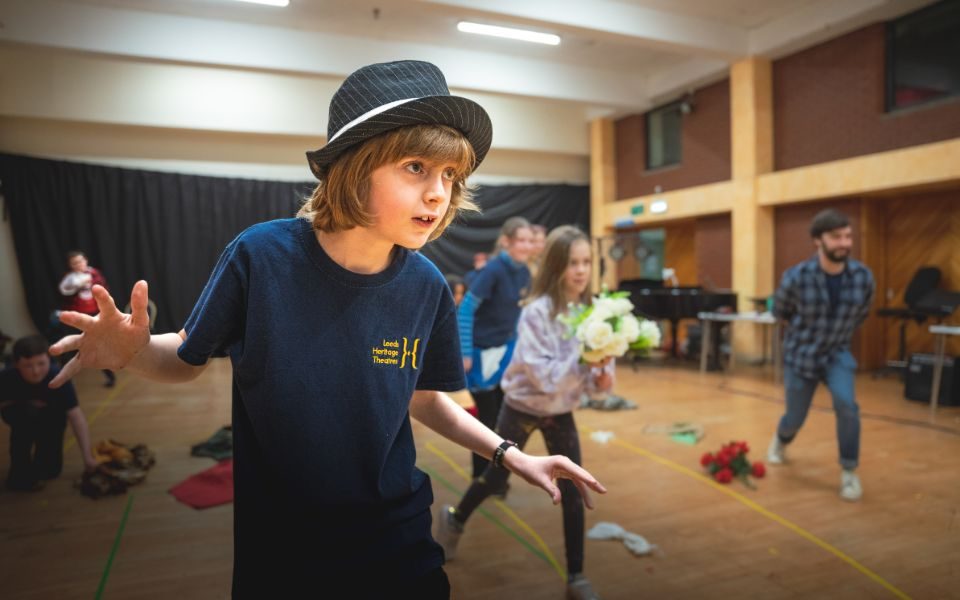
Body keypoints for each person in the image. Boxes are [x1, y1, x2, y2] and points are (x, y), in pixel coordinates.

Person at [48, 60, 605, 599]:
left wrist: (511, 454)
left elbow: (426, 401)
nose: (438, 193)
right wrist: (134, 351)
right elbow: (186, 358)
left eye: (450, 175)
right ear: (355, 165)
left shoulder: (427, 285)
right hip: (286, 544)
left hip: (399, 535)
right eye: (416, 167)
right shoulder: (261, 256)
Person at [436, 226, 613, 600]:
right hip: (522, 405)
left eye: (585, 262)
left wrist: (603, 364)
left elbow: (602, 387)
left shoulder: (593, 311)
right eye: (571, 263)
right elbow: (546, 378)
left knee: (574, 486)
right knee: (494, 479)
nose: (580, 271)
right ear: (554, 266)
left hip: (560, 409)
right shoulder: (535, 312)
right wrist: (586, 357)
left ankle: (576, 576)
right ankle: (454, 519)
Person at [767, 208, 875, 502]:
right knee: (794, 418)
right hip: (801, 356)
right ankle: (781, 439)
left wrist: (836, 336)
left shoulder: (863, 277)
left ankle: (849, 472)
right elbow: (780, 312)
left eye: (848, 236)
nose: (844, 243)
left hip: (837, 354)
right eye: (836, 237)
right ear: (818, 240)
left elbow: (861, 314)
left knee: (847, 405)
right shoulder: (796, 277)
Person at [456, 216, 535, 485]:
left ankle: (498, 474)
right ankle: (481, 477)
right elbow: (465, 310)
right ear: (506, 242)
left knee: (506, 418)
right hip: (481, 355)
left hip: (505, 353)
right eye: (521, 240)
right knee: (486, 422)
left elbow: (517, 315)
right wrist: (465, 352)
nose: (526, 246)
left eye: (530, 241)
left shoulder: (525, 272)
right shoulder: (492, 270)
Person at [1, 335, 96, 491]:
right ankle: (20, 467)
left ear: (49, 360)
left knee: (50, 471)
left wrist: (88, 458)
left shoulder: (58, 376)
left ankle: (43, 462)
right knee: (26, 417)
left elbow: (76, 416)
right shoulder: (6, 377)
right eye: (28, 366)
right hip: (20, 415)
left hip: (51, 417)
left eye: (41, 363)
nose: (36, 371)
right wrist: (25, 404)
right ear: (16, 364)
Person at [58, 250, 116, 387]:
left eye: (80, 261)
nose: (78, 265)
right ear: (71, 265)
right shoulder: (69, 278)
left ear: (86, 260)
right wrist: (74, 287)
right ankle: (64, 376)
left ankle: (110, 375)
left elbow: (103, 289)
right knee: (73, 344)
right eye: (74, 263)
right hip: (79, 317)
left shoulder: (94, 273)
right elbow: (64, 293)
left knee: (99, 344)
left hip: (96, 313)